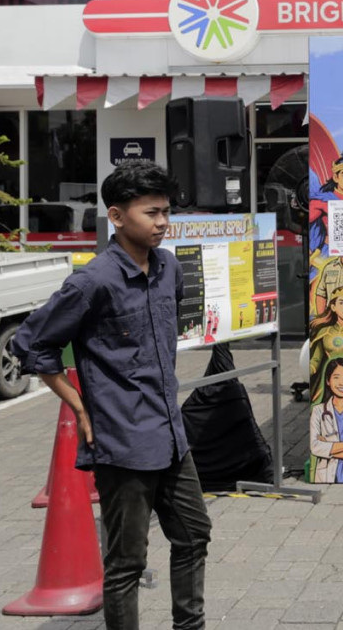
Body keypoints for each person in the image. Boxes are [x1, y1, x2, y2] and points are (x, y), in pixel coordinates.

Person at [13, 160, 210, 630]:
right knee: (127, 562)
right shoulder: (93, 280)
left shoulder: (166, 267)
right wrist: (78, 405)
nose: (163, 222)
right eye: (151, 213)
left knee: (194, 534)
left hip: (170, 435)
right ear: (117, 217)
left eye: (166, 212)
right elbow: (32, 344)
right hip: (120, 443)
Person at [309, 358, 343, 484]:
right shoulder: (318, 411)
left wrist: (328, 447)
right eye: (336, 377)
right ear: (328, 381)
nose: (342, 383)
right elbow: (314, 447)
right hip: (325, 475)